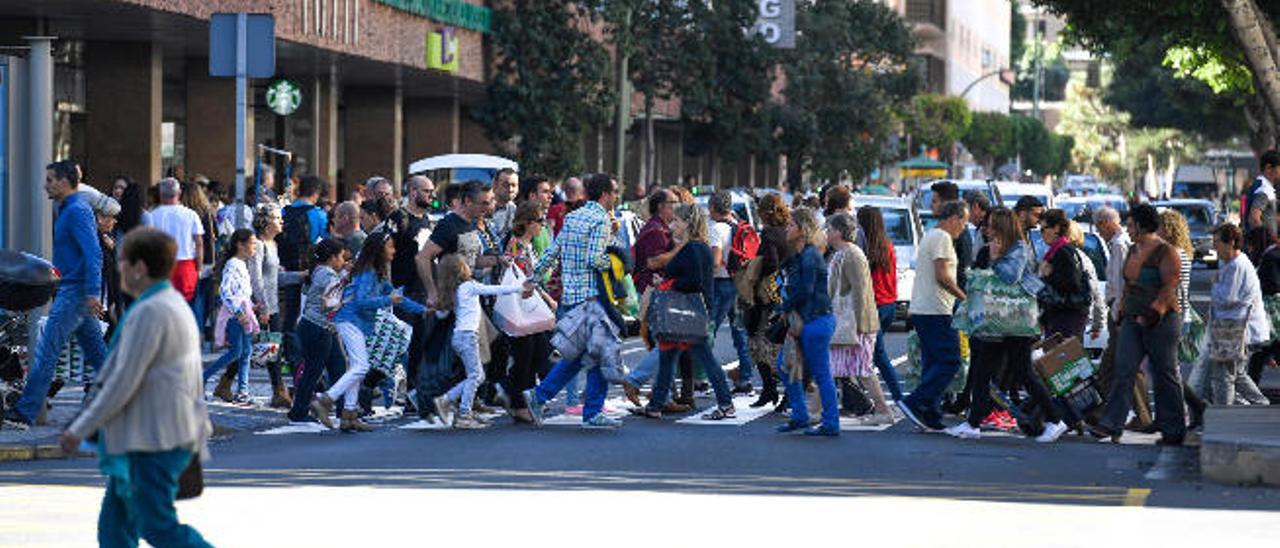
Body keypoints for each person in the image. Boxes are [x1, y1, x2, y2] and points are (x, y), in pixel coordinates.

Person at [59, 227, 213, 548]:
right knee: (116, 529)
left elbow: (123, 381)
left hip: (156, 440)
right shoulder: (162, 305)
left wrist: (81, 427)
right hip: (147, 436)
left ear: (140, 268)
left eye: (123, 261)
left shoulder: (152, 311)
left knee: (157, 526)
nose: (119, 269)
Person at [944, 208, 1069, 442]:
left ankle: (1055, 419)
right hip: (999, 322)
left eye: (991, 225)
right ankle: (973, 424)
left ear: (1002, 227)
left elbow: (1010, 277)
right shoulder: (1008, 247)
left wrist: (995, 257)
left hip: (1016, 323)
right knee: (982, 372)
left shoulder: (1019, 248)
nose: (987, 229)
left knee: (1024, 372)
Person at [4, 161, 109, 429]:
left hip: (75, 293)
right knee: (99, 358)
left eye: (50, 180)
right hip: (74, 293)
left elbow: (93, 253)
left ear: (64, 182)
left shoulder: (77, 211)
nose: (46, 185)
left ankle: (25, 413)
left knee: (46, 353)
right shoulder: (68, 209)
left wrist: (94, 292)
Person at [522, 174, 625, 429]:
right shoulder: (601, 219)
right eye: (614, 192)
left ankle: (539, 396)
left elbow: (553, 252)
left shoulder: (573, 216)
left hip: (570, 299)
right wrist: (618, 260)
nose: (616, 197)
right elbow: (594, 259)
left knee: (577, 357)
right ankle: (591, 413)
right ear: (604, 195)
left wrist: (532, 279)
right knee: (600, 355)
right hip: (591, 300)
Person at [311, 232, 427, 432]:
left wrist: (424, 310)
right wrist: (388, 301)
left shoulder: (374, 272)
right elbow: (363, 302)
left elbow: (397, 297)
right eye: (390, 247)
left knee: (358, 367)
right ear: (380, 250)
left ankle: (349, 415)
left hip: (355, 321)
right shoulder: (368, 273)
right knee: (361, 367)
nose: (394, 250)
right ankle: (326, 400)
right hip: (350, 320)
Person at [1090, 204, 1186, 445]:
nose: (1128, 229)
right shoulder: (1133, 249)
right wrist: (1121, 311)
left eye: (1131, 225)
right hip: (1132, 319)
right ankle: (1111, 424)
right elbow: (1129, 285)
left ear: (1143, 226)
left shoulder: (1165, 252)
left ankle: (1173, 429)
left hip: (1162, 321)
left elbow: (1169, 286)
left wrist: (1153, 314)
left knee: (1165, 373)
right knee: (1124, 369)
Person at [636, 204, 737, 420]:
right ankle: (655, 406)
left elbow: (693, 281)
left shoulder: (693, 248)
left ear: (688, 224)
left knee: (704, 359)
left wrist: (667, 282)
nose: (672, 226)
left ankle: (726, 403)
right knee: (667, 357)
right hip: (686, 313)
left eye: (677, 221)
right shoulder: (696, 246)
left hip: (688, 313)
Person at [433, 255, 533, 429]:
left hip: (460, 337)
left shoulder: (453, 291)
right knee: (476, 376)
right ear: (462, 269)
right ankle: (462, 413)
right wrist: (519, 287)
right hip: (469, 336)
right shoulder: (469, 286)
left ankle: (448, 401)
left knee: (476, 375)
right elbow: (493, 290)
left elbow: (440, 314)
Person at [898, 201, 968, 432]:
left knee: (933, 361)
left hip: (924, 308)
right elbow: (942, 275)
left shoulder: (931, 235)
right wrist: (963, 297)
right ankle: (917, 401)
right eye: (964, 221)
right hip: (936, 309)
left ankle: (930, 413)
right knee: (950, 360)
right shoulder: (942, 238)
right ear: (954, 218)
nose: (964, 227)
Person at [774, 208, 840, 437]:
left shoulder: (810, 255)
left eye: (791, 225)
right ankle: (800, 414)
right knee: (785, 365)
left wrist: (786, 306)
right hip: (807, 320)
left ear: (802, 230)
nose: (786, 228)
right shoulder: (802, 255)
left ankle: (831, 422)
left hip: (816, 320)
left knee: (821, 373)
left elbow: (806, 289)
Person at [825, 213, 891, 425]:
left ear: (838, 231)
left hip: (857, 324)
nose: (826, 233)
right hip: (846, 323)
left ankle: (883, 410)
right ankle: (817, 411)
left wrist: (862, 326)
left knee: (863, 369)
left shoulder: (853, 255)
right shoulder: (841, 254)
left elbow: (862, 291)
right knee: (834, 367)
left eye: (829, 229)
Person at [499, 202, 558, 423]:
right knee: (526, 354)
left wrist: (547, 298)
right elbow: (521, 280)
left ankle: (524, 397)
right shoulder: (515, 246)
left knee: (537, 353)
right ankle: (518, 403)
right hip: (519, 307)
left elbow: (531, 280)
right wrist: (546, 298)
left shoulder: (527, 246)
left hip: (529, 307)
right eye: (540, 221)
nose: (543, 226)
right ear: (529, 223)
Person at [1208, 224, 1272, 406]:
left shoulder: (1237, 265)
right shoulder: (1231, 264)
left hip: (1237, 328)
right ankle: (1261, 404)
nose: (1215, 247)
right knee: (1236, 373)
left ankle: (1225, 413)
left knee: (1225, 375)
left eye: (1217, 242)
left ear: (1231, 243)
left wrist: (1215, 284)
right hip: (1232, 327)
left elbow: (1227, 298)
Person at [1157, 210, 1209, 428]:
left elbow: (1174, 290)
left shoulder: (1175, 254)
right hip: (1178, 314)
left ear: (1168, 229)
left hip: (1175, 316)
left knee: (1169, 370)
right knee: (1168, 369)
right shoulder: (1178, 252)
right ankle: (1185, 411)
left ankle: (1190, 409)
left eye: (1159, 227)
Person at [291, 239, 350, 427]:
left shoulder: (319, 271)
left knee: (338, 366)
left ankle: (344, 409)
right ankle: (298, 412)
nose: (343, 260)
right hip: (319, 327)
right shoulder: (328, 275)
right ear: (332, 258)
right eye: (341, 257)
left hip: (316, 326)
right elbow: (330, 304)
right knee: (314, 370)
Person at [385, 175, 435, 392]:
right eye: (427, 191)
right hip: (402, 290)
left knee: (421, 345)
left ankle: (414, 391)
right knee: (398, 345)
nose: (431, 195)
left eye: (432, 191)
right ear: (413, 192)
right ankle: (373, 389)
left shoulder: (427, 220)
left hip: (424, 291)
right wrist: (388, 288)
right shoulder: (399, 217)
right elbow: (384, 252)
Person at [742, 193, 789, 409]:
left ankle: (769, 388)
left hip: (766, 294)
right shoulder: (788, 230)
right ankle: (787, 394)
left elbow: (770, 262)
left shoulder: (769, 233)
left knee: (756, 339)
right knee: (782, 344)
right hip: (784, 292)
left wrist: (754, 265)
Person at [202, 229, 259, 404]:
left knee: (246, 352)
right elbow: (225, 291)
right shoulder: (233, 264)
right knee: (237, 352)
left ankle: (243, 391)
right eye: (252, 243)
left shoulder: (241, 263)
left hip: (244, 312)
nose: (254, 247)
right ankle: (201, 379)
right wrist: (239, 312)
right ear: (240, 245)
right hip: (236, 315)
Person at [708, 190, 755, 393]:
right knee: (740, 333)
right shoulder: (739, 225)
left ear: (712, 208)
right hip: (739, 284)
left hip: (721, 285)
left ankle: (704, 377)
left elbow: (716, 262)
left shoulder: (716, 229)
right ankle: (745, 378)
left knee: (708, 332)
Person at [858, 205, 905, 403]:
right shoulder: (887, 245)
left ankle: (897, 397)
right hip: (889, 304)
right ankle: (862, 396)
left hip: (874, 306)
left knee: (877, 355)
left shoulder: (865, 249)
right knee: (871, 353)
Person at [143, 178, 204, 302]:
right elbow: (199, 243)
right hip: (186, 266)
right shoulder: (191, 214)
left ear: (160, 194)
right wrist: (199, 268)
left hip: (161, 265)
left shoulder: (152, 215)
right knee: (186, 307)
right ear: (179, 193)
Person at [1037, 209, 1090, 339]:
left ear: (1056, 228)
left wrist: (1049, 274)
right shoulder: (1058, 250)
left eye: (1044, 229)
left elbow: (1072, 283)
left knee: (1063, 357)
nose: (1041, 234)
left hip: (1067, 316)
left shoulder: (1063, 251)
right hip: (1062, 314)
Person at [82, 188, 123, 335]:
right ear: (100, 217)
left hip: (103, 305)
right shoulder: (92, 240)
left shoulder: (105, 239)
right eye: (112, 217)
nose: (115, 221)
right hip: (94, 305)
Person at [1245, 226, 1280, 386]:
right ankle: (1252, 391)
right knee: (1262, 354)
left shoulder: (1269, 257)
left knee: (1261, 354)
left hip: (1272, 313)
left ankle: (1253, 392)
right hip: (1273, 315)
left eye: (1250, 244)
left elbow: (1272, 284)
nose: (1249, 249)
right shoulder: (1273, 253)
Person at [1243, 150, 1279, 234]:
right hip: (1262, 245)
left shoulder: (1261, 184)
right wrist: (1270, 239)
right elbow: (1254, 219)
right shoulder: (1264, 189)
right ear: (1268, 168)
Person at [490, 168, 519, 243]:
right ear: (494, 184)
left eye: (514, 185)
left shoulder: (515, 210)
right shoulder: (482, 207)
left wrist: (514, 253)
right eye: (506, 185)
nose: (510, 189)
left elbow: (514, 240)